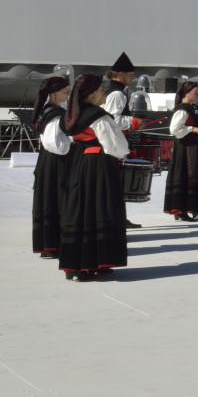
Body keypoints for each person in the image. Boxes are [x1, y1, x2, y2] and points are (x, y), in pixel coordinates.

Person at [58, 74, 130, 281]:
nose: (104, 93)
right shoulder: (99, 115)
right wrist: (123, 153)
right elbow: (115, 144)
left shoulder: (74, 114)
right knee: (99, 207)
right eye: (100, 89)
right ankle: (95, 260)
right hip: (99, 164)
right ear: (90, 94)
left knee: (80, 208)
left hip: (79, 162)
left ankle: (75, 264)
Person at [163, 81, 198, 221]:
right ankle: (181, 211)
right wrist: (191, 129)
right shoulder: (182, 110)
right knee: (187, 176)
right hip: (186, 149)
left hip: (196, 147)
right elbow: (174, 130)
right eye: (195, 92)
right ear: (187, 93)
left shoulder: (193, 107)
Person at [32, 76, 71, 259]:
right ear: (54, 93)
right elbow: (54, 143)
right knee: (55, 200)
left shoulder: (49, 111)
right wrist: (74, 144)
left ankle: (50, 244)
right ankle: (52, 244)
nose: (68, 94)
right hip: (55, 163)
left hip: (49, 162)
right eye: (65, 91)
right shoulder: (55, 114)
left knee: (50, 199)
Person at [104, 52, 141, 228]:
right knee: (115, 184)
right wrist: (133, 121)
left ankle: (119, 218)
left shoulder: (113, 91)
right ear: (121, 75)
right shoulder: (117, 94)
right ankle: (116, 219)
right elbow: (112, 120)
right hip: (112, 145)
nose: (132, 79)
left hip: (113, 144)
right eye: (131, 76)